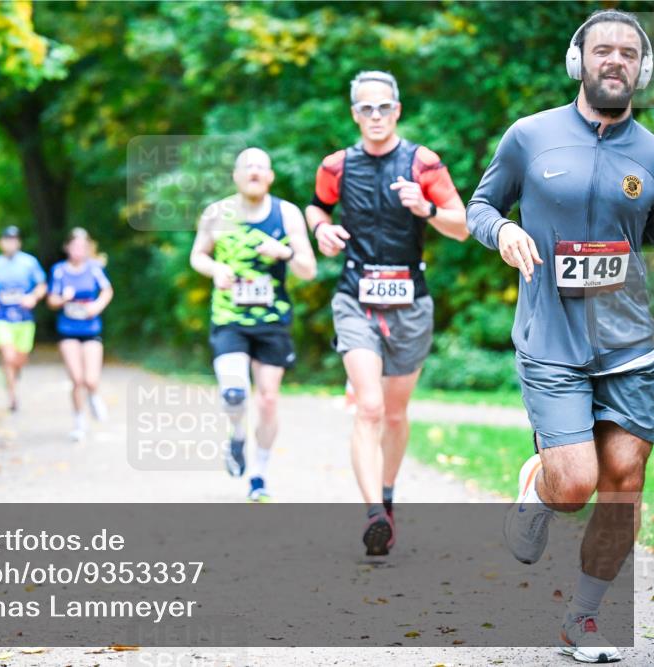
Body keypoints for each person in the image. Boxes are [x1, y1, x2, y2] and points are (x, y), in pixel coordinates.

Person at [467, 10, 653, 662]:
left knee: (625, 474)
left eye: (628, 53)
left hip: (632, 342)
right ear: (579, 61)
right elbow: (479, 207)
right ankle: (540, 484)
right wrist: (504, 232)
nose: (615, 61)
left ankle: (584, 617)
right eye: (603, 49)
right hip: (551, 337)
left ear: (643, 69)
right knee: (575, 484)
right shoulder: (529, 136)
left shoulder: (652, 152)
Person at [305, 71, 468, 553]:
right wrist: (321, 231)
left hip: (410, 303)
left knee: (395, 415)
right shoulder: (336, 166)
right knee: (369, 406)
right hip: (355, 296)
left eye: (383, 107)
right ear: (354, 114)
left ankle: (388, 497)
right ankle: (373, 511)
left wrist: (426, 210)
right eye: (365, 109)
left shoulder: (424, 163)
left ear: (397, 110)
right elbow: (317, 208)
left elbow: (461, 226)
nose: (375, 116)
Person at [190, 147, 317, 502]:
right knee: (234, 394)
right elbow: (197, 255)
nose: (255, 172)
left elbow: (309, 270)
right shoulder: (217, 213)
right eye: (248, 167)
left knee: (269, 400)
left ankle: (259, 474)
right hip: (229, 317)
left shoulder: (286, 214)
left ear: (271, 176)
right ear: (236, 175)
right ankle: (236, 434)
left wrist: (286, 253)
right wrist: (216, 269)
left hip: (273, 320)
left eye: (262, 167)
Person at [47, 227, 114, 442]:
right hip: (68, 331)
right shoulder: (59, 271)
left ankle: (93, 396)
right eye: (75, 246)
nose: (79, 250)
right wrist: (63, 299)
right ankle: (79, 421)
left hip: (91, 329)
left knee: (91, 380)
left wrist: (97, 306)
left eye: (83, 246)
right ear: (67, 247)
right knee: (76, 379)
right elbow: (51, 300)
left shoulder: (94, 268)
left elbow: (107, 290)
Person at [0, 226, 47, 412]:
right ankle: (12, 395)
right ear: (1, 243)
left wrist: (33, 297)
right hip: (1, 317)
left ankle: (13, 376)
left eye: (14, 239)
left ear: (19, 242)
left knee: (20, 358)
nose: (11, 243)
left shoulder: (29, 263)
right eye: (7, 240)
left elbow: (42, 285)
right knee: (8, 356)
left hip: (24, 318)